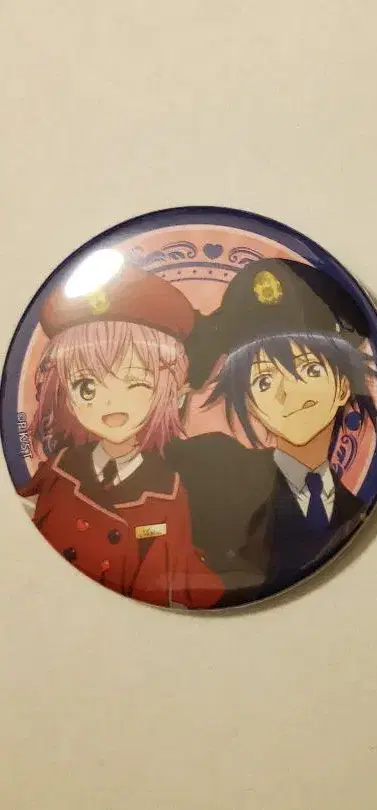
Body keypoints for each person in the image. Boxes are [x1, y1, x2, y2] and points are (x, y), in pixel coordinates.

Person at [165, 258, 377, 606]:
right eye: (264, 380)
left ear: (343, 387)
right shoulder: (210, 475)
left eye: (309, 369)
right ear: (248, 401)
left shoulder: (357, 511)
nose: (287, 393)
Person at [18, 253, 224, 608]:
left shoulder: (168, 492)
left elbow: (170, 579)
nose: (111, 403)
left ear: (173, 392)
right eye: (87, 386)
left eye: (136, 382)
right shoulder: (60, 468)